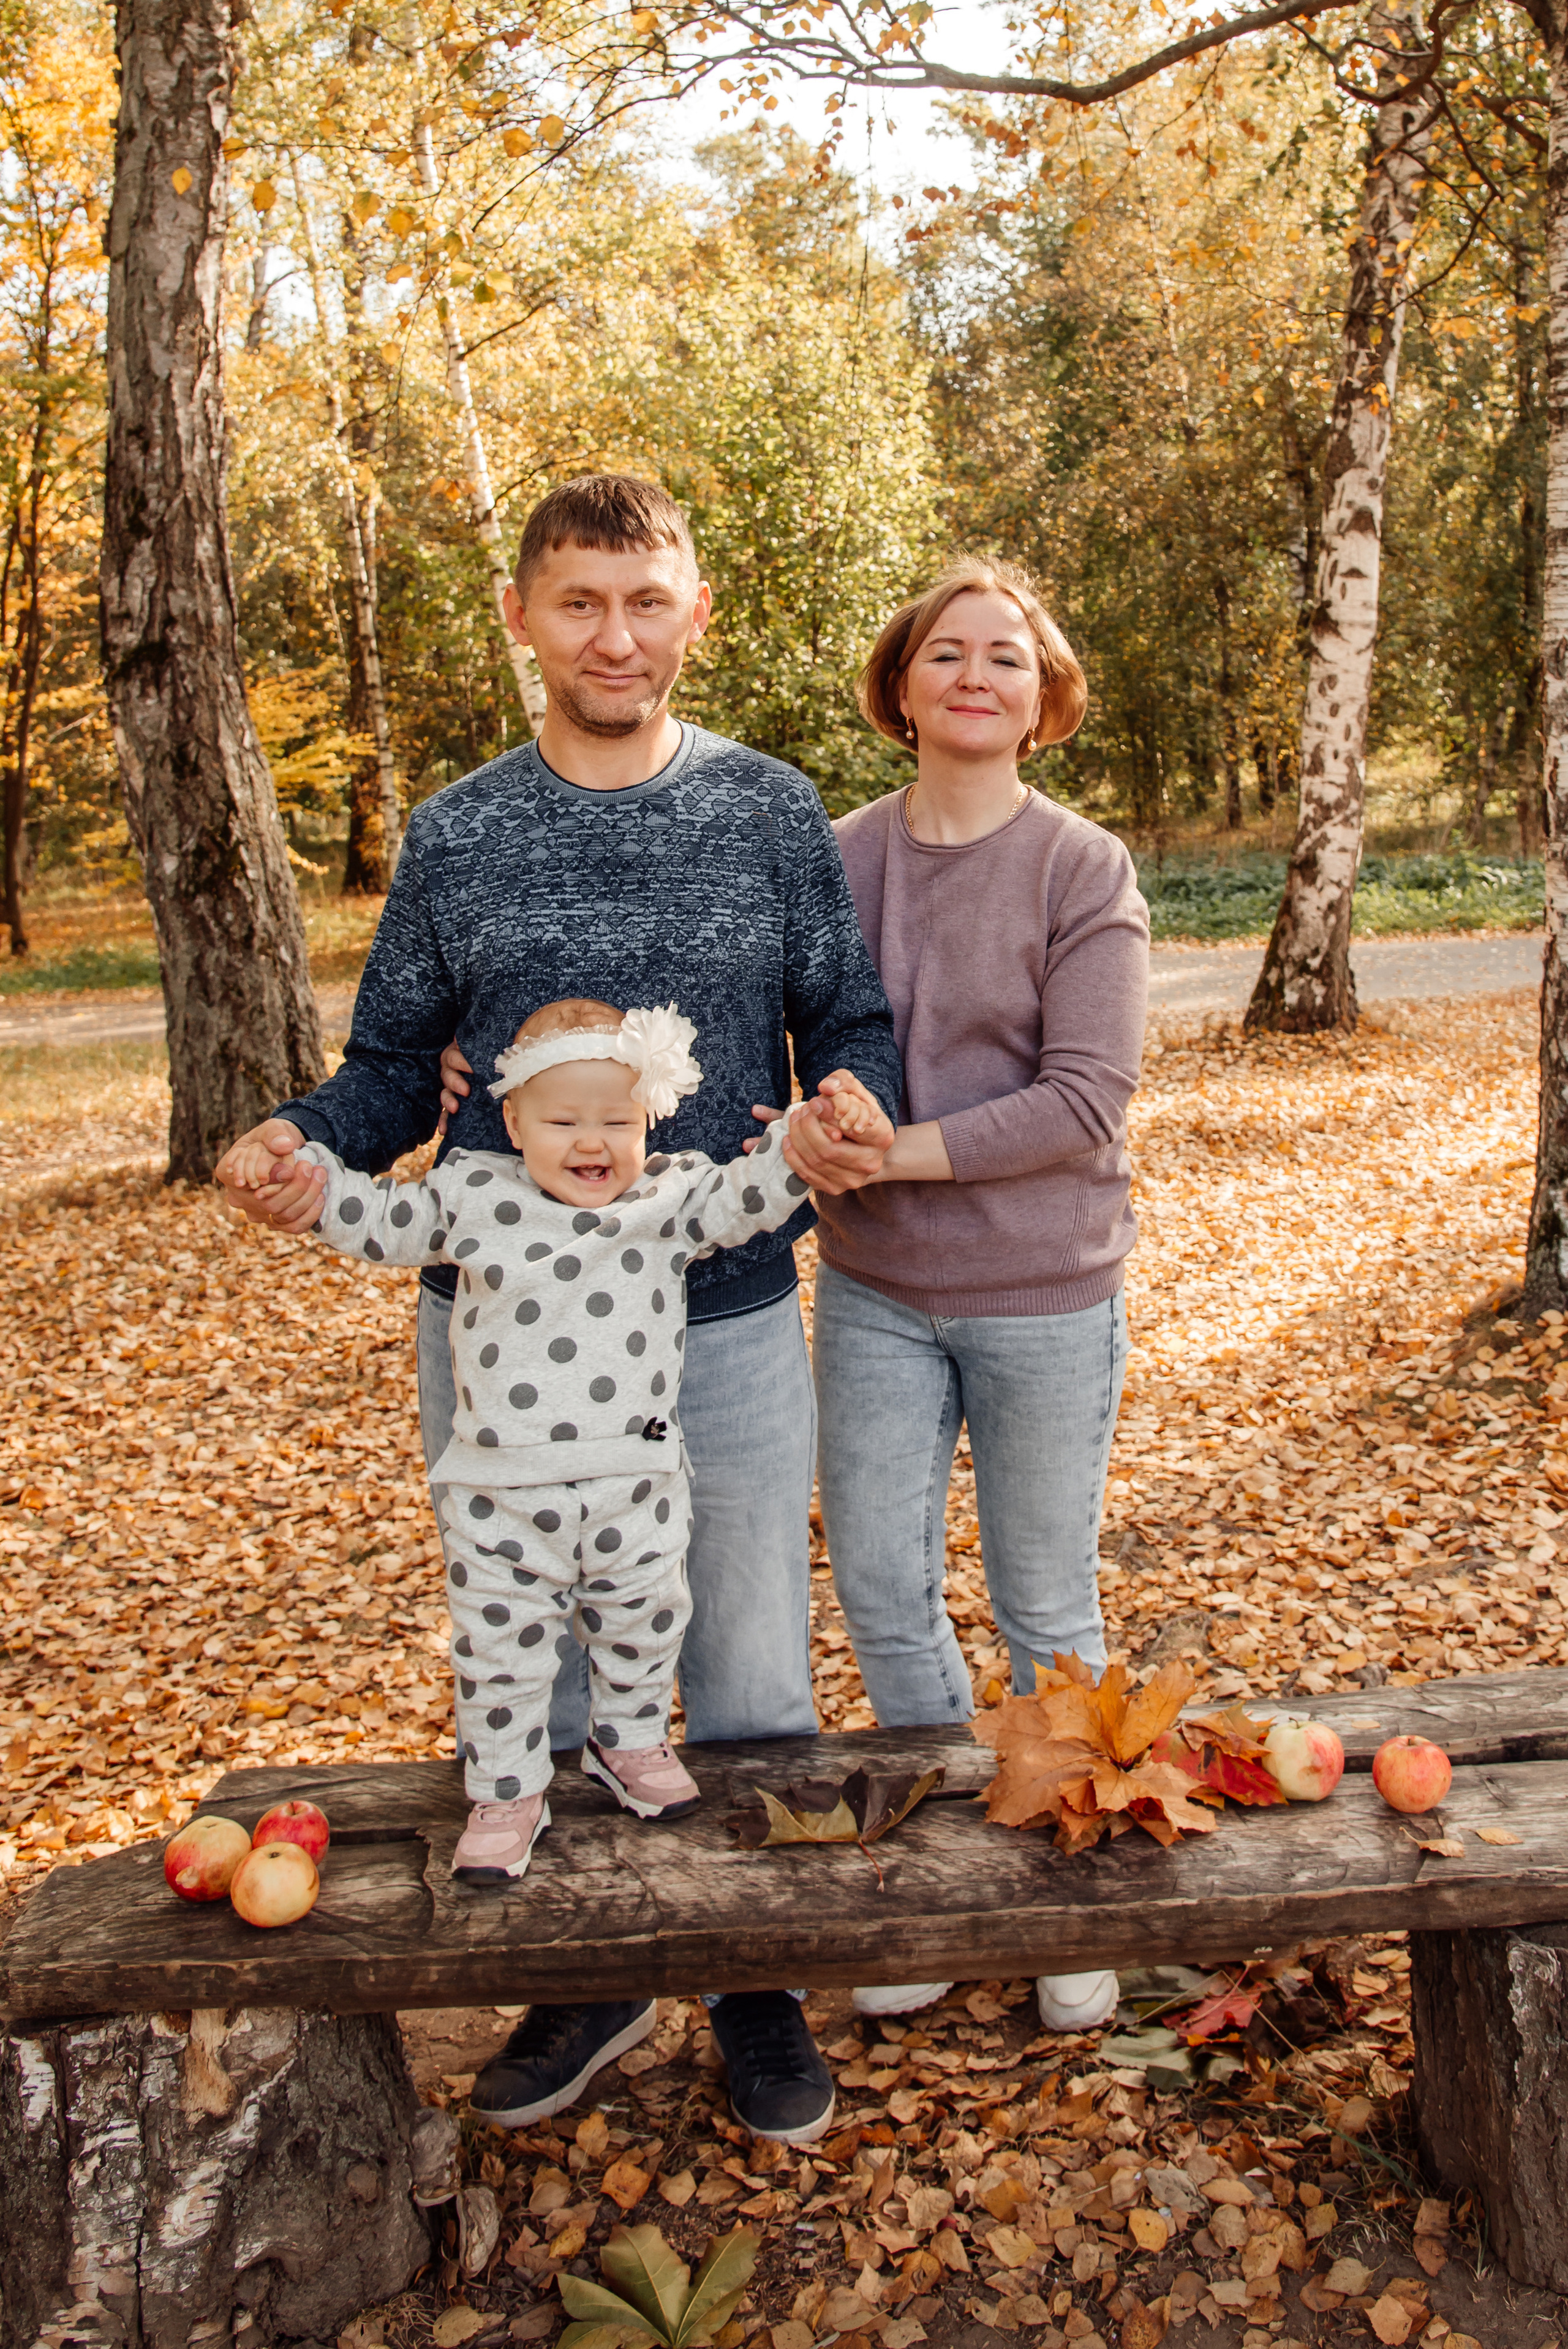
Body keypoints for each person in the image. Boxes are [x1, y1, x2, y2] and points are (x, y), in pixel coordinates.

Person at [215, 474, 901, 2143]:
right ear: (524, 615)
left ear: (694, 613)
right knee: (553, 1666)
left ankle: (751, 1983)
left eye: (645, 600)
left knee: (736, 1667)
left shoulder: (767, 809)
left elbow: (851, 1018)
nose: (616, 634)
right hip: (504, 1332)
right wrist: (303, 1138)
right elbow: (394, 1063)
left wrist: (850, 1111)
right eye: (580, 601)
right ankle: (590, 1978)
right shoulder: (460, 831)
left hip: (723, 1319)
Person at [227, 997, 856, 1882]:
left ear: (649, 1121)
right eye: (563, 1120)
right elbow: (380, 1217)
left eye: (618, 1121)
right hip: (502, 1494)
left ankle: (627, 1740)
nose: (592, 1142)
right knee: (504, 1652)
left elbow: (746, 1198)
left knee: (645, 1624)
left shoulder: (665, 1197)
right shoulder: (475, 1193)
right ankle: (507, 1787)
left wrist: (805, 1138)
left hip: (635, 1481)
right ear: (513, 1119)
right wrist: (308, 1181)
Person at [789, 555, 1150, 2029]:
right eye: (947, 653)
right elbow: (780, 1034)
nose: (976, 676)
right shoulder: (837, 854)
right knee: (881, 1592)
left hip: (1041, 1296)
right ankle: (948, 1882)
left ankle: (1063, 1886)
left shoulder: (1082, 868)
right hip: (873, 1293)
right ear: (903, 685)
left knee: (1045, 1608)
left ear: (1041, 692)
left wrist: (893, 1155)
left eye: (1005, 655)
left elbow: (1085, 1102)